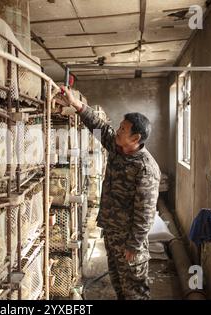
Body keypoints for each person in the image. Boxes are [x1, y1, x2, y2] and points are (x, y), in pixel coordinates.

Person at [59, 86, 161, 300]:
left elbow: (146, 213)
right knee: (120, 286)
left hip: (129, 241)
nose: (118, 131)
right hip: (113, 234)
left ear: (136, 138)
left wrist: (133, 246)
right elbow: (100, 126)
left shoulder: (145, 168)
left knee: (135, 291)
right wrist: (77, 105)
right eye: (120, 127)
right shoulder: (118, 147)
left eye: (123, 129)